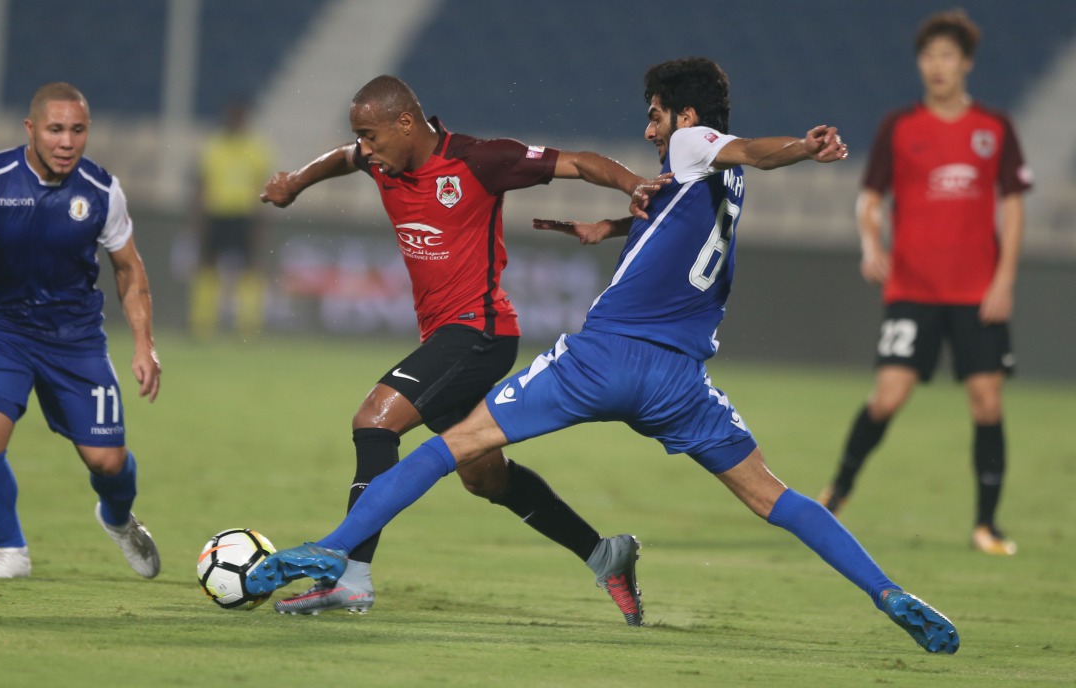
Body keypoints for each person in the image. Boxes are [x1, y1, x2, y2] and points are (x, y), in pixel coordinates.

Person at [247, 58, 961, 654]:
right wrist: (615, 224)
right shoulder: (715, 185)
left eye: (654, 115)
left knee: (444, 448)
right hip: (681, 380)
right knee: (774, 495)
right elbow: (685, 214)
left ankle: (335, 552)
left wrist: (802, 149)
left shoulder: (695, 144)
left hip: (602, 357)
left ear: (684, 118)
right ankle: (887, 591)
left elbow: (746, 150)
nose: (649, 130)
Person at [257, 75, 663, 623]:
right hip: (447, 337)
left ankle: (350, 576)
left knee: (374, 422)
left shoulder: (480, 161)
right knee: (485, 476)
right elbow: (345, 158)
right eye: (362, 138)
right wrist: (296, 183)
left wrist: (636, 185)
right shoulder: (381, 158)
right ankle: (604, 554)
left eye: (371, 136)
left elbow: (582, 162)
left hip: (481, 333)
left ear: (406, 123)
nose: (367, 149)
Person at [0, 82, 162, 580]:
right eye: (55, 129)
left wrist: (144, 344)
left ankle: (117, 518)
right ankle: (10, 551)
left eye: (78, 129)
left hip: (75, 338)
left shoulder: (102, 191)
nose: (67, 141)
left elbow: (130, 271)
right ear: (31, 130)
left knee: (108, 462)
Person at [818, 9, 1031, 556]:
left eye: (947, 56)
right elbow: (870, 200)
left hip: (977, 291)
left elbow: (1012, 208)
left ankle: (987, 524)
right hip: (912, 290)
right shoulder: (900, 127)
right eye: (929, 55)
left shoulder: (994, 129)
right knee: (888, 396)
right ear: (920, 63)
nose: (937, 66)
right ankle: (835, 494)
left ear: (966, 64)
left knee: (987, 402)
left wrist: (1005, 279)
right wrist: (872, 244)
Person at [189, 101, 272, 338]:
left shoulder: (257, 148)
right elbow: (202, 184)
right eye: (233, 116)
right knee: (207, 267)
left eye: (240, 117)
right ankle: (202, 325)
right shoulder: (214, 146)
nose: (236, 121)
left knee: (249, 269)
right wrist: (198, 219)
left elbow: (263, 186)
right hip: (216, 213)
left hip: (245, 214)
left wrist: (262, 221)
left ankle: (248, 325)